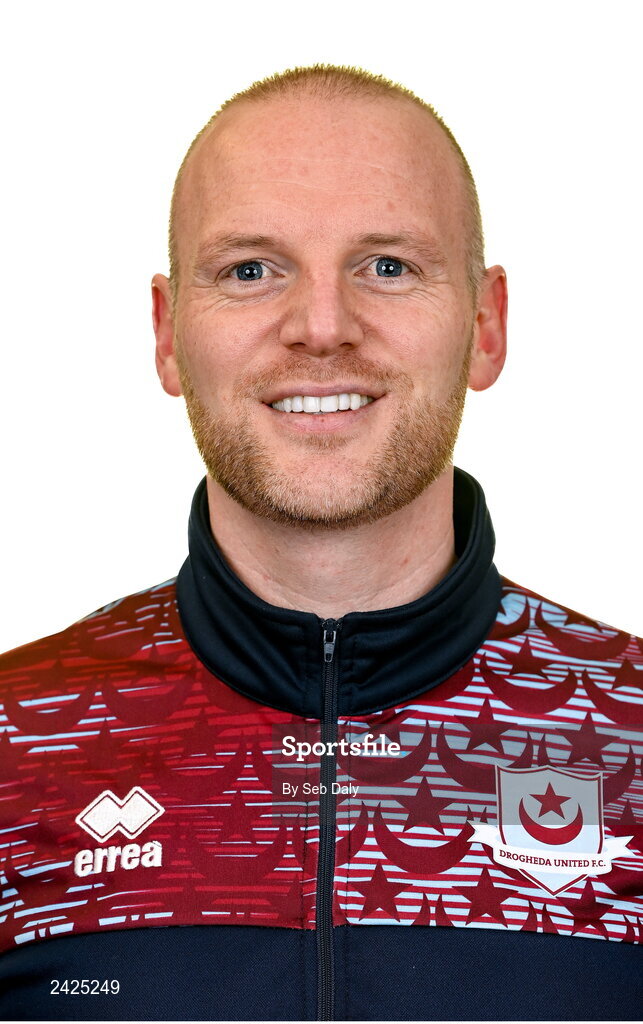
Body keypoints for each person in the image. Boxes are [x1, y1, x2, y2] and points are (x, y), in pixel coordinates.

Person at [0, 65, 641, 1023]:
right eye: (250, 270)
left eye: (387, 266)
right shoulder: (18, 745)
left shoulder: (630, 741)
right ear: (170, 335)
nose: (322, 328)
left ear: (484, 326)